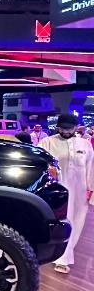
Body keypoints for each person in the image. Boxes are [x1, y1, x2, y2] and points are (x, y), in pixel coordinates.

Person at [39, 113, 94, 274]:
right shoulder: (47, 142)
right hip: (56, 191)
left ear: (76, 127)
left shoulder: (85, 145)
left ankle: (64, 256)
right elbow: (42, 166)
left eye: (69, 129)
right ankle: (59, 256)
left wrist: (92, 190)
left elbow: (91, 168)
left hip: (79, 192)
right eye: (62, 128)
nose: (66, 131)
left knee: (76, 222)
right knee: (59, 223)